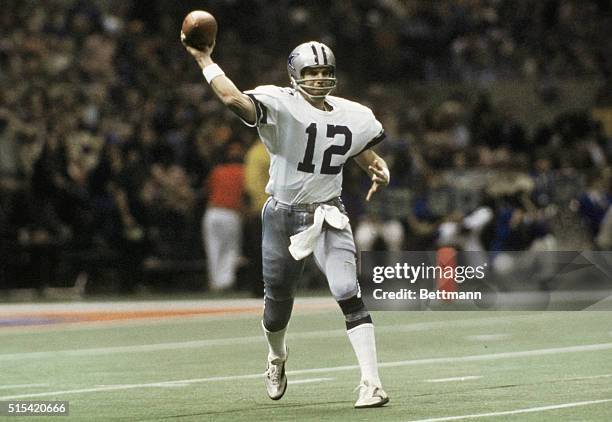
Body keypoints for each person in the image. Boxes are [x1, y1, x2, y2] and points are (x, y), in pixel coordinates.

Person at [182, 35, 390, 408]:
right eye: (311, 71)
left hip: (328, 212)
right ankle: (276, 356)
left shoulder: (353, 113)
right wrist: (205, 61)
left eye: (325, 71)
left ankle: (371, 382)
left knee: (348, 292)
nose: (319, 78)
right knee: (277, 307)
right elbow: (233, 99)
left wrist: (375, 165)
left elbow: (355, 147)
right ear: (295, 74)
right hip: (282, 214)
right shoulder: (280, 103)